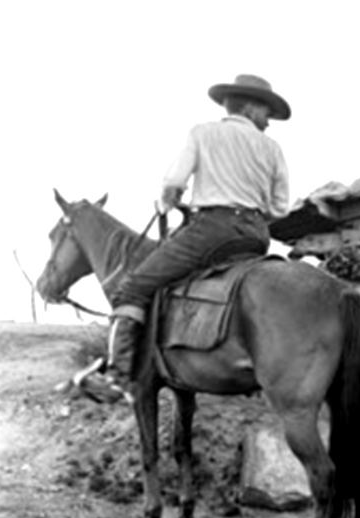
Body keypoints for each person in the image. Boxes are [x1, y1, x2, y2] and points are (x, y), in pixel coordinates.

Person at [85, 74, 292, 404]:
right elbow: (280, 207)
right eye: (267, 113)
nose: (267, 121)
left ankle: (119, 377)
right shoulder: (272, 148)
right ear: (252, 108)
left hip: (211, 231)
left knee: (134, 287)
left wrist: (169, 201)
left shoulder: (202, 133)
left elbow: (174, 181)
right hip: (255, 236)